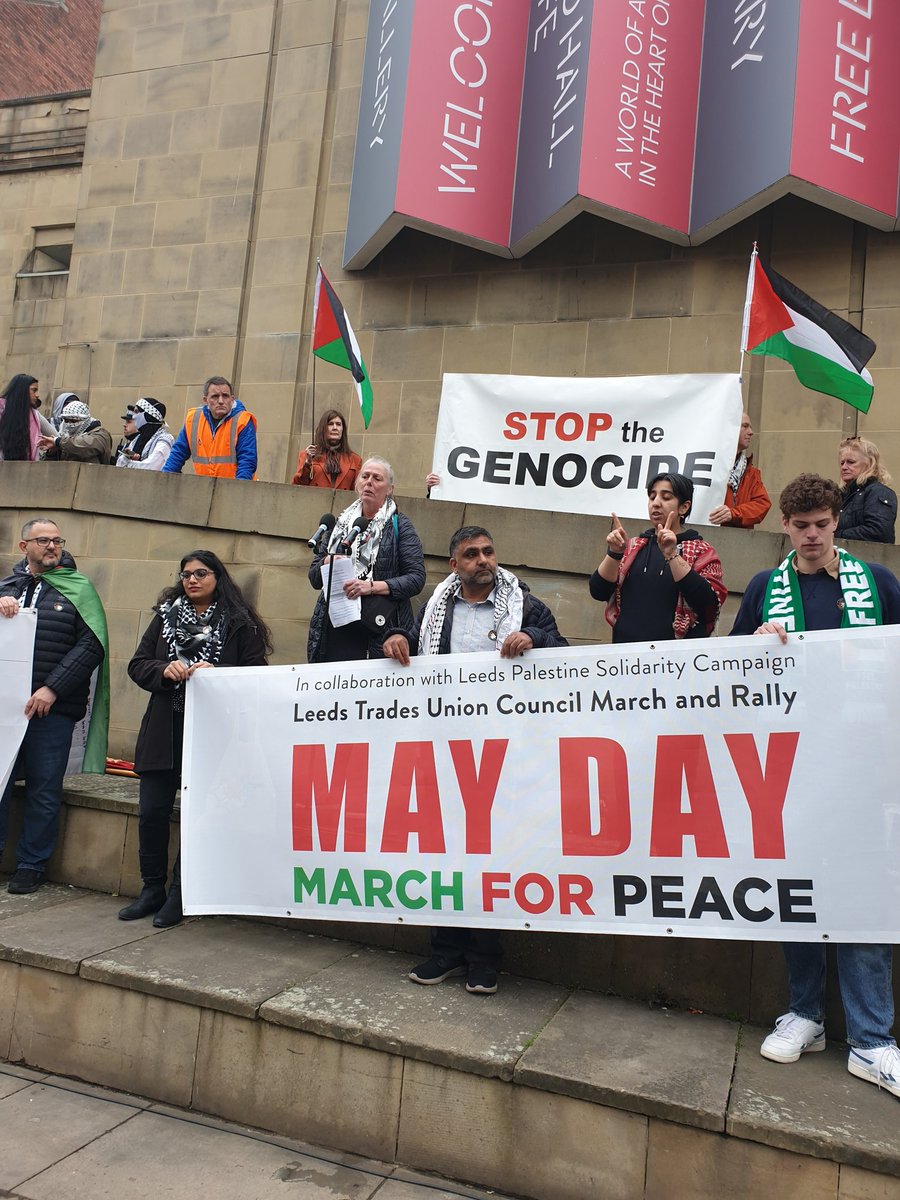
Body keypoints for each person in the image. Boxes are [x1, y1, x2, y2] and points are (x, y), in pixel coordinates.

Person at [730, 473, 900, 1098]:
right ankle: (805, 1014)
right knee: (794, 888)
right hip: (791, 762)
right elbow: (726, 668)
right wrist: (752, 645)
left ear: (835, 524)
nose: (810, 536)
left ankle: (874, 1040)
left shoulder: (878, 583)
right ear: (786, 525)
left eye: (821, 525)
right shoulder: (763, 588)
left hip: (863, 762)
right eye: (799, 526)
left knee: (864, 893)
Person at [383, 525, 568, 995]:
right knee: (443, 852)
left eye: (488, 552)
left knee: (490, 854)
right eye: (471, 554)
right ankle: (445, 951)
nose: (483, 560)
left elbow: (562, 650)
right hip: (444, 746)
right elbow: (415, 638)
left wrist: (533, 637)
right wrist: (399, 639)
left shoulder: (524, 604)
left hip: (502, 752)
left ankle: (484, 958)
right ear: (454, 565)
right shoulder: (436, 606)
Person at [121, 550, 271, 929]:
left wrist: (216, 673)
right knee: (152, 812)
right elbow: (137, 665)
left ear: (217, 577)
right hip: (164, 729)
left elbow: (257, 676)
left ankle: (180, 893)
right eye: (186, 574)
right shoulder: (165, 617)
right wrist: (163, 668)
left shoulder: (240, 623)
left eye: (201, 573)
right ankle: (151, 888)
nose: (191, 580)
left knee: (197, 817)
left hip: (211, 737)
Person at [0, 518, 109, 894]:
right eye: (43, 540)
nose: (51, 545)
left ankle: (32, 863)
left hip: (52, 710)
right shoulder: (7, 587)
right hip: (5, 710)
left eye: (57, 540)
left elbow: (92, 646)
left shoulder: (78, 589)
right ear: (23, 546)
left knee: (44, 789)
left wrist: (52, 689)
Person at [307, 457, 425, 663]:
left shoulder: (400, 525)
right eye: (365, 476)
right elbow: (315, 578)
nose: (369, 482)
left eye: (377, 478)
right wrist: (327, 562)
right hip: (333, 628)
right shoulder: (339, 524)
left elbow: (416, 578)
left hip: (378, 629)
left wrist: (370, 587)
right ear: (357, 483)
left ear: (389, 489)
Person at [589, 472, 727, 642]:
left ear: (684, 507)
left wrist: (671, 554)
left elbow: (709, 605)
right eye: (652, 497)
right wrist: (615, 553)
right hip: (625, 656)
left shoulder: (701, 550)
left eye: (666, 497)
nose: (656, 503)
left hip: (675, 659)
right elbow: (598, 591)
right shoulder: (632, 547)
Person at [163, 376, 257, 479]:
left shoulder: (243, 421)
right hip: (205, 489)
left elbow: (247, 461)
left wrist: (238, 490)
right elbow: (178, 454)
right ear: (205, 400)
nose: (221, 401)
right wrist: (163, 479)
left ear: (232, 399)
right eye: (215, 396)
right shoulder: (194, 420)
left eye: (225, 396)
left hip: (234, 488)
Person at [708, 411, 771, 529]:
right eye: (745, 426)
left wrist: (733, 514)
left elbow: (762, 504)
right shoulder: (708, 463)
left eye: (750, 427)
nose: (751, 432)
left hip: (739, 540)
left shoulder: (752, 472)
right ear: (729, 429)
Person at [835, 435, 896, 544]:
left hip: (867, 559)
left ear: (869, 464)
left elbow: (879, 532)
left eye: (851, 462)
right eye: (842, 462)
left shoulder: (879, 492)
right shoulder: (840, 495)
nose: (844, 467)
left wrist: (835, 536)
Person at [292, 409, 361, 489]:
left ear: (343, 429)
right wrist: (308, 463)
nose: (335, 428)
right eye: (330, 424)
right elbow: (297, 486)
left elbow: (357, 492)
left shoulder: (355, 460)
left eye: (338, 424)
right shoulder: (307, 455)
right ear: (323, 428)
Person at [38, 399, 113, 465]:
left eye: (73, 421)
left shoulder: (101, 435)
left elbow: (83, 446)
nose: (70, 424)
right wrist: (52, 453)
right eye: (66, 420)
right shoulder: (64, 438)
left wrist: (58, 442)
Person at [0, 374, 55, 461]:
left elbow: (55, 437)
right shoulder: (1, 410)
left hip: (28, 469)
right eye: (34, 390)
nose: (37, 395)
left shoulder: (35, 415)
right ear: (21, 391)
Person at [113, 398, 173, 471]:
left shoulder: (165, 438)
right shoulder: (137, 439)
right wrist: (128, 458)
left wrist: (127, 463)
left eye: (137, 412)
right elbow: (119, 464)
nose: (134, 416)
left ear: (148, 414)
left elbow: (152, 467)